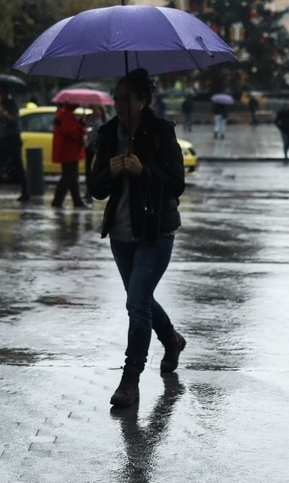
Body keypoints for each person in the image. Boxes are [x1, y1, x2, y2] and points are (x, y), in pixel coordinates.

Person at [87, 68, 187, 409]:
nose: (118, 103)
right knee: (139, 299)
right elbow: (95, 189)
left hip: (155, 231)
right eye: (115, 97)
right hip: (120, 233)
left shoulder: (160, 132)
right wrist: (110, 172)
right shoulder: (107, 134)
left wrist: (144, 171)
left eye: (125, 98)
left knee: (136, 302)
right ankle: (171, 339)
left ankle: (130, 380)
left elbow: (177, 184)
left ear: (143, 100)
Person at [52, 102, 88, 209]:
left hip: (68, 150)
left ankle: (77, 201)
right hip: (68, 150)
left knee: (72, 177)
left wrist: (80, 122)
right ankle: (57, 201)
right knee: (68, 177)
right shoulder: (66, 114)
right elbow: (70, 131)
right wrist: (82, 131)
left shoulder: (64, 113)